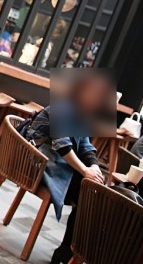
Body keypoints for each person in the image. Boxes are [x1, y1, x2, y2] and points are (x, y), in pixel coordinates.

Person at [24, 104, 104, 263]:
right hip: (38, 165)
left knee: (93, 194)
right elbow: (62, 145)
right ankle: (67, 251)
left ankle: (68, 250)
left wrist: (94, 166)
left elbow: (86, 146)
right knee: (89, 194)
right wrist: (85, 171)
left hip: (56, 164)